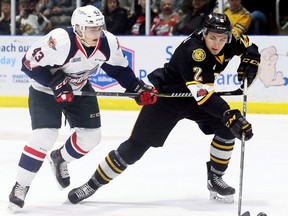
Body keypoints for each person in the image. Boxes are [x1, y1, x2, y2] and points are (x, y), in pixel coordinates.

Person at [66, 12, 260, 204]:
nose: (217, 44)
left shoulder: (230, 38)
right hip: (168, 98)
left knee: (226, 128)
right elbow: (205, 96)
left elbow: (248, 44)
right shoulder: (194, 52)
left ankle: (215, 178)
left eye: (222, 39)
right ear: (203, 33)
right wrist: (228, 114)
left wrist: (251, 57)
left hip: (196, 99)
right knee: (135, 148)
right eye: (213, 38)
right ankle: (92, 184)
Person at [7, 5, 157, 211]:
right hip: (45, 89)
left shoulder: (108, 42)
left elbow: (118, 69)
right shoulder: (59, 41)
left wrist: (136, 87)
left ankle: (60, 158)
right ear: (78, 28)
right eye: (92, 28)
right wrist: (56, 83)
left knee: (91, 137)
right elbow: (28, 64)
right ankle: (20, 186)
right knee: (45, 135)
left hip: (78, 88)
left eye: (99, 27)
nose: (98, 32)